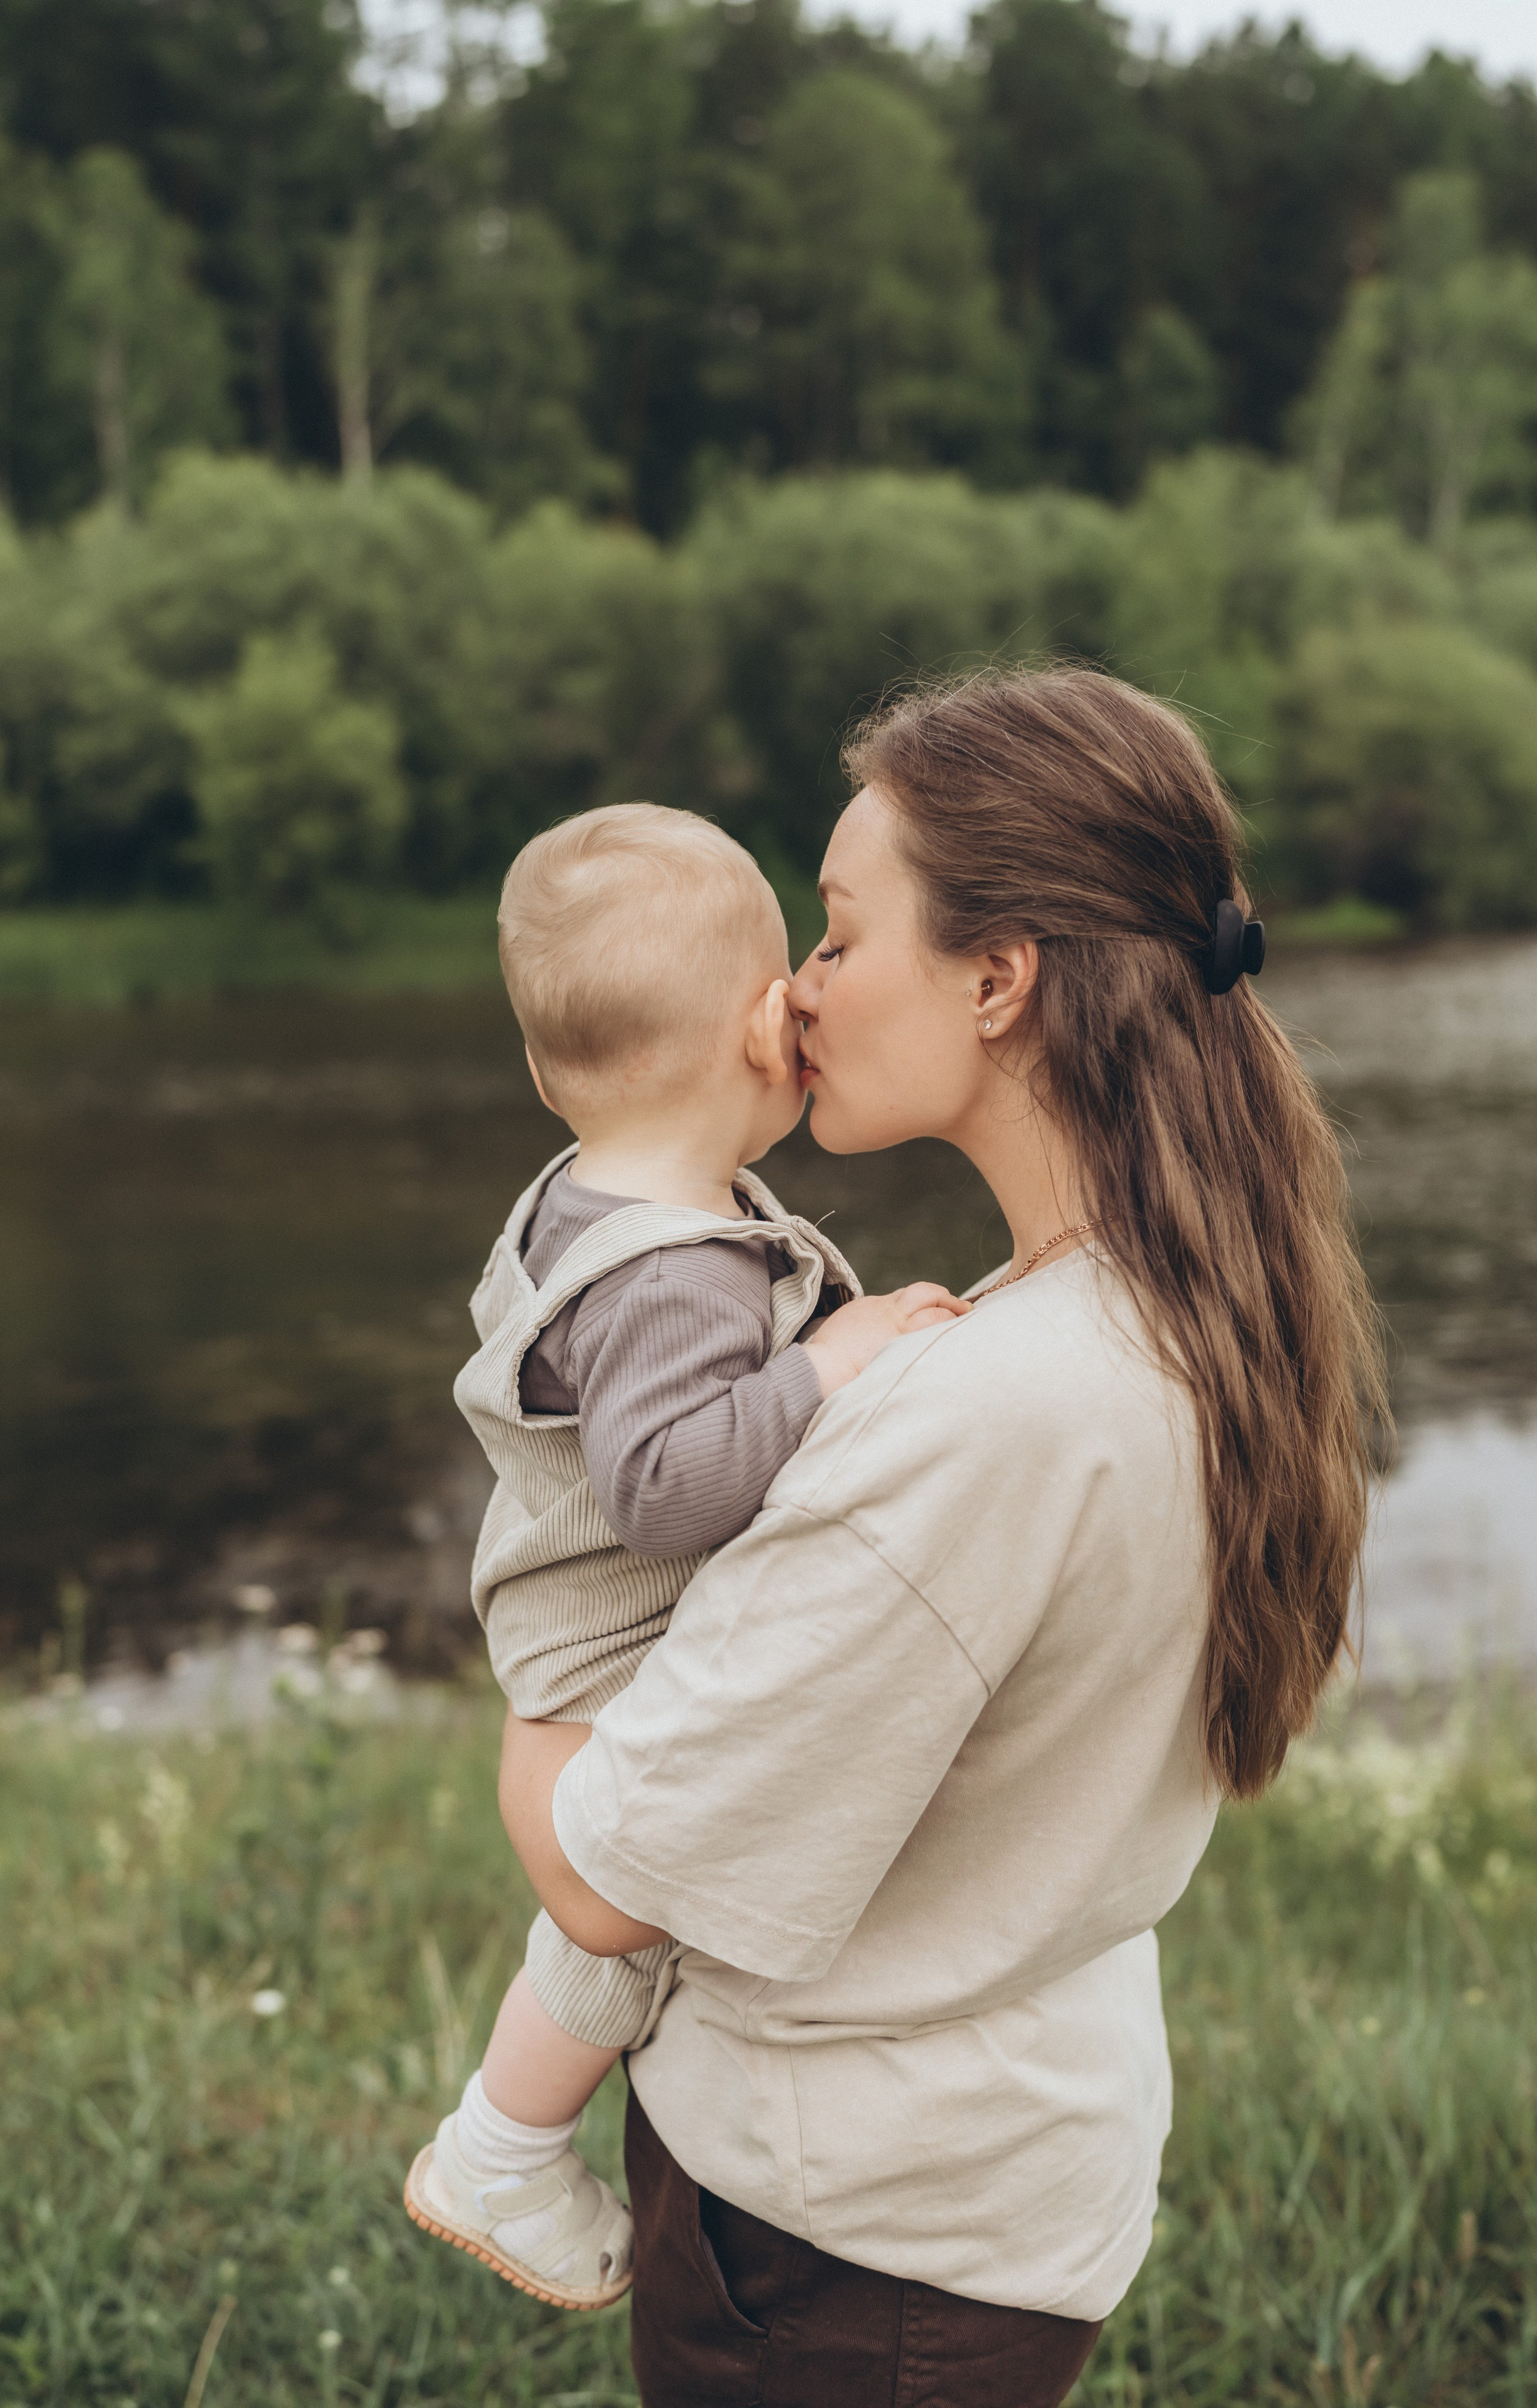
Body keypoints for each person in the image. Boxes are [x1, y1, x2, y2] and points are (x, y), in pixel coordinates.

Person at [497, 667, 1386, 2405]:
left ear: (997, 980)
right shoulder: (1159, 1312)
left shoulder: (980, 1413)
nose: (796, 994)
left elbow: (605, 1881)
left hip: (843, 2247)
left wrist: (538, 1678)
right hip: (991, 2180)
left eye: (836, 935)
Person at [404, 801, 969, 2308]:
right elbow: (662, 1490)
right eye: (800, 976)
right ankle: (501, 2148)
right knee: (638, 1913)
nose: (810, 1002)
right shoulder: (665, 1273)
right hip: (603, 1655)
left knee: (646, 1908)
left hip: (569, 1640)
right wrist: (827, 1368)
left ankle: (512, 2142)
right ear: (758, 1036)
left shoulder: (588, 1194)